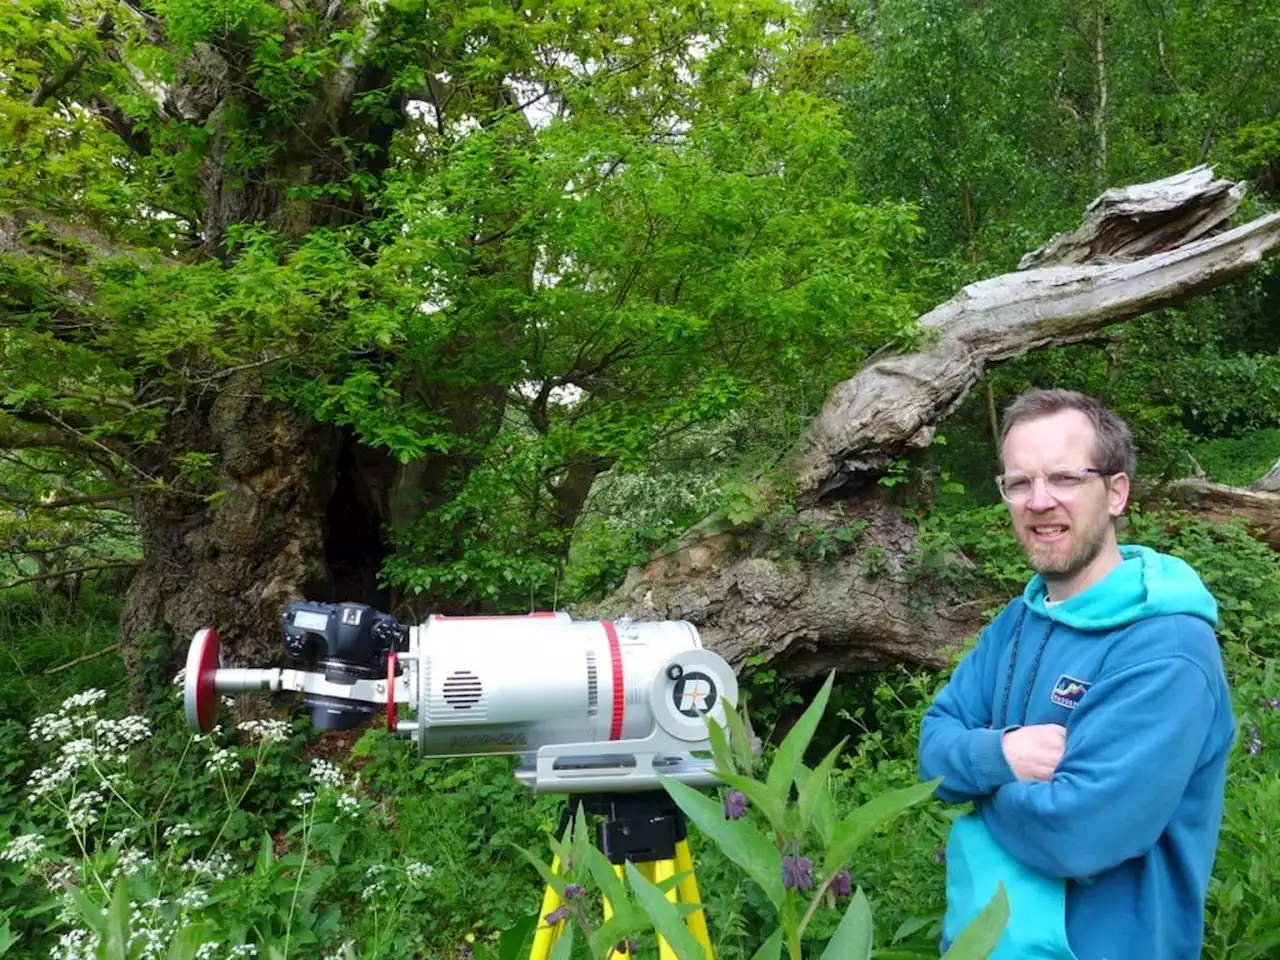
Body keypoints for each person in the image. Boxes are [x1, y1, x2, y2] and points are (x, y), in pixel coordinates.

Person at [917, 388, 1235, 960]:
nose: (1039, 501)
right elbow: (932, 749)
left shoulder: (1167, 649)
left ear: (1116, 492)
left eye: (1064, 478)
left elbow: (1079, 833)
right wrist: (1005, 757)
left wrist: (980, 783)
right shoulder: (1016, 622)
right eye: (1020, 482)